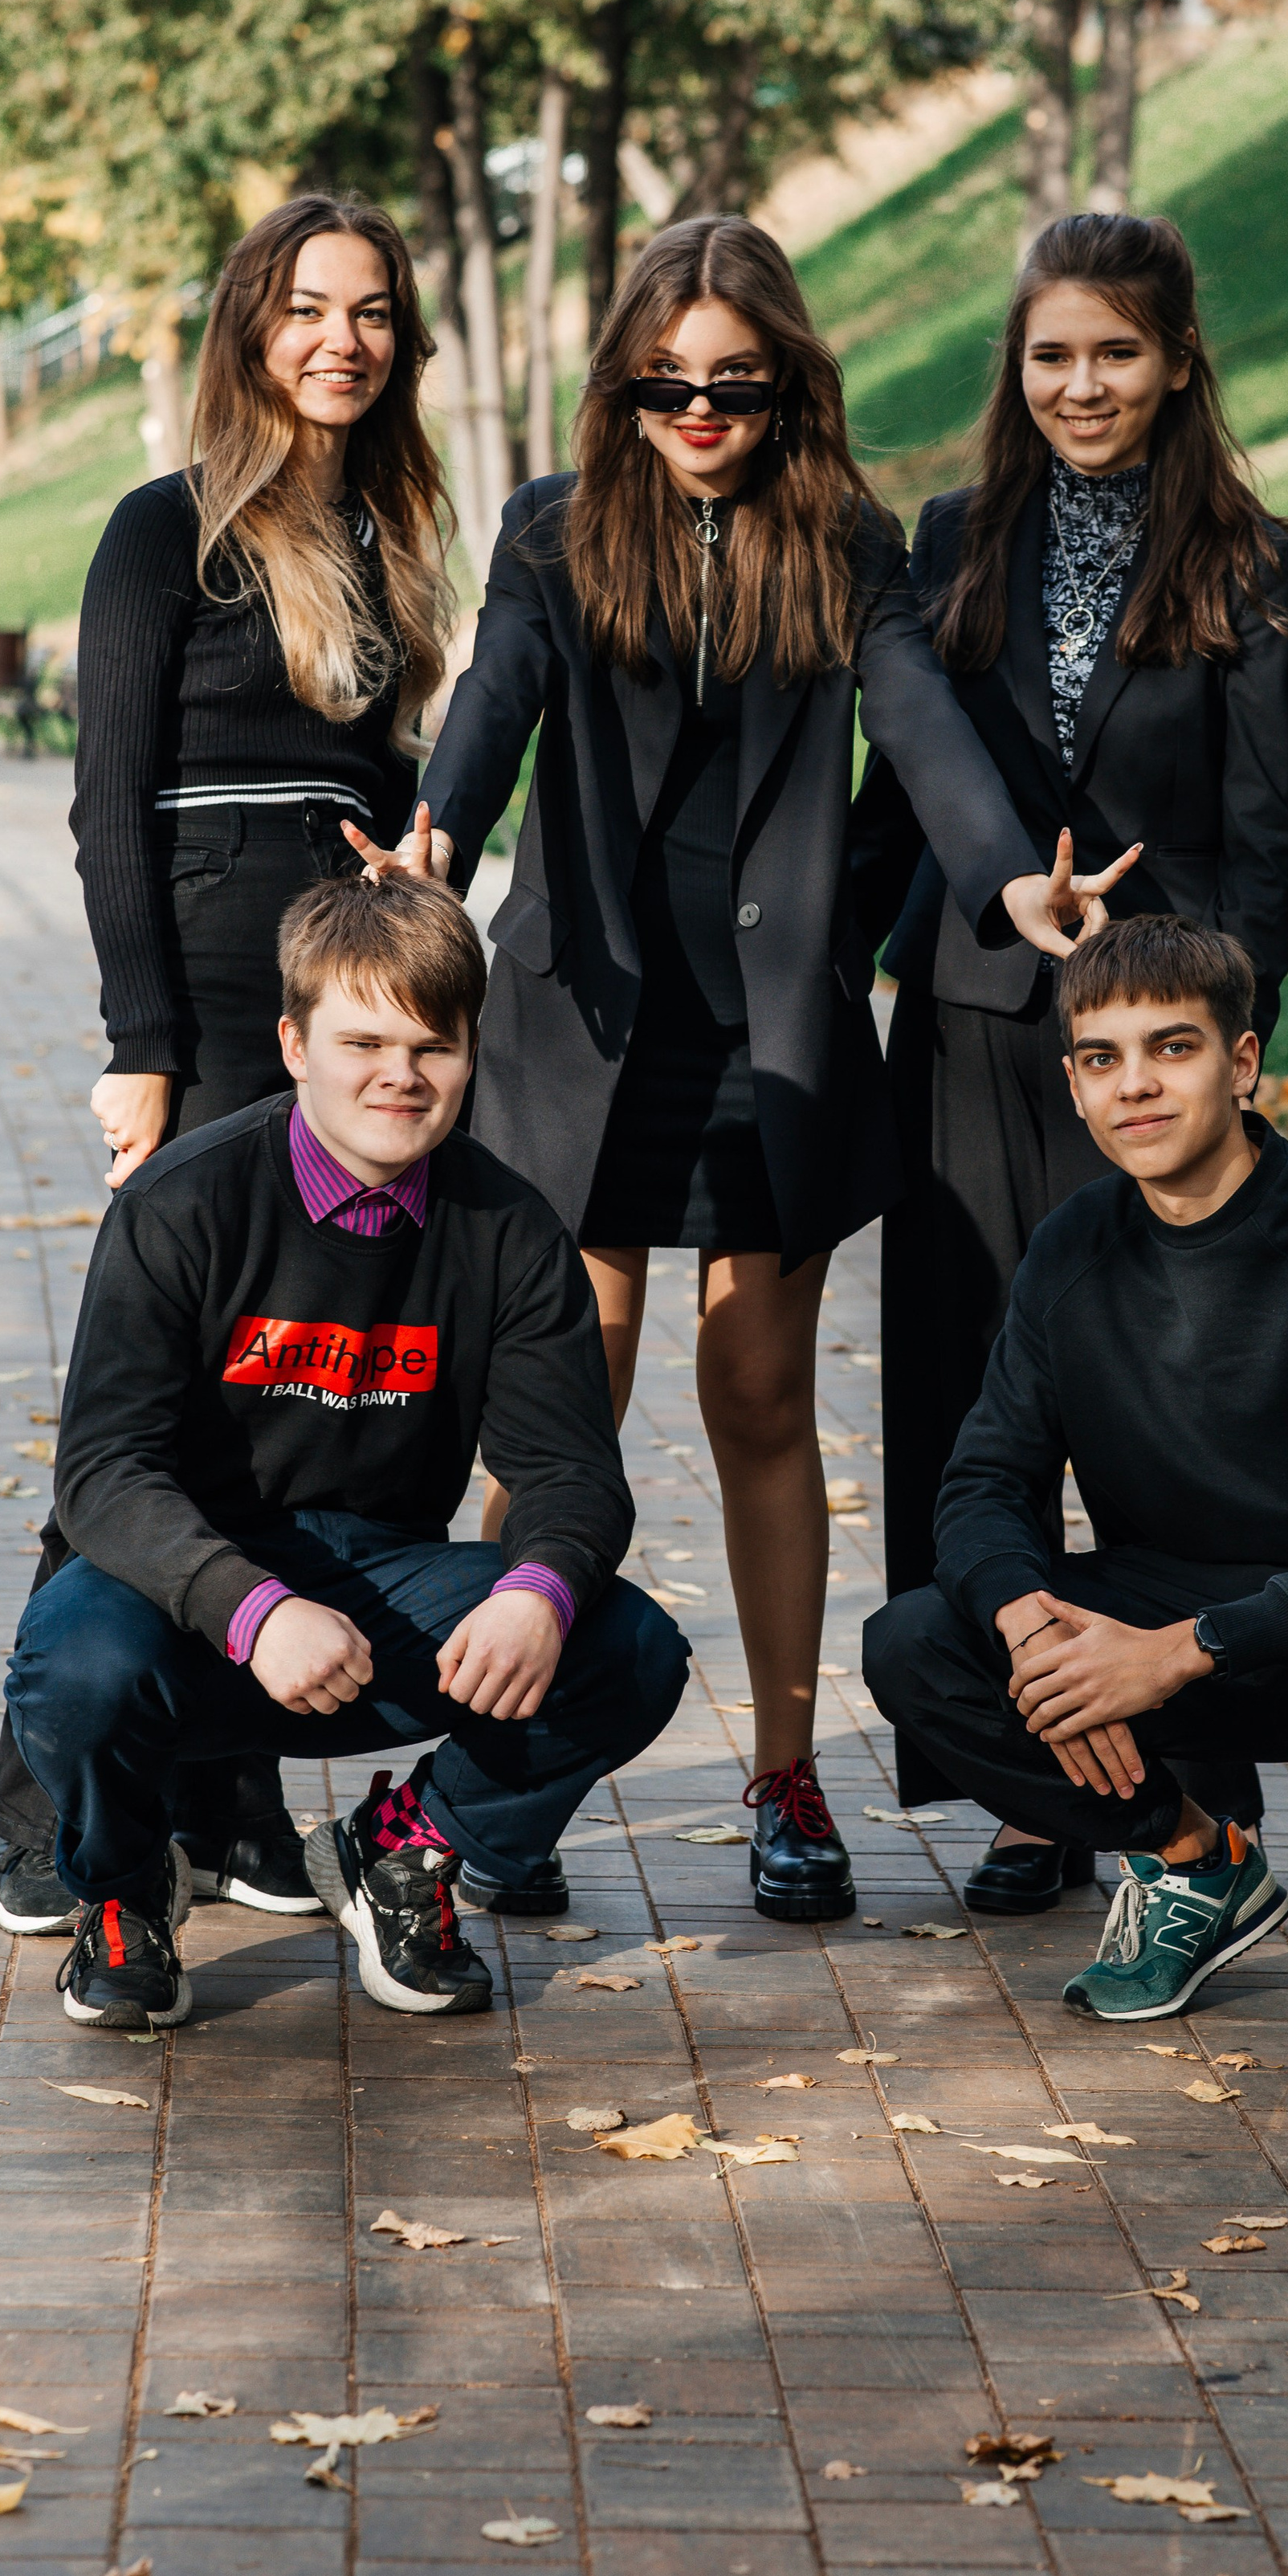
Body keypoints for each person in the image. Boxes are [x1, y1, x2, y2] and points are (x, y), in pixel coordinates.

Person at [355, 214, 1125, 1927]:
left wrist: (1009, 879)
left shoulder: (841, 538)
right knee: (569, 1417)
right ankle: (507, 1776)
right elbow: (493, 698)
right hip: (582, 1040)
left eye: (733, 383)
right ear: (621, 385)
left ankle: (788, 1779)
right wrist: (437, 835)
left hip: (764, 1045)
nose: (697, 410)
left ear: (783, 388)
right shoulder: (556, 533)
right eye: (664, 381)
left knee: (762, 1405)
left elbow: (918, 727)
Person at [0, 193, 454, 1938]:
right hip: (206, 1006)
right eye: (308, 309)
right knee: (157, 1401)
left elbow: (396, 776)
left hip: (339, 1012)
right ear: (251, 330)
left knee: (283, 1396)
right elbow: (108, 810)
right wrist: (139, 1051)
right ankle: (32, 1804)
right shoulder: (160, 532)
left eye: (374, 312)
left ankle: (222, 1785)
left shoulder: (393, 533)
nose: (343, 338)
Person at [2, 873, 687, 2030]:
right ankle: (123, 1897)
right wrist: (250, 1607)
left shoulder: (511, 1234)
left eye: (434, 1046)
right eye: (362, 1040)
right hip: (189, 1601)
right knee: (73, 1661)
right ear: (293, 1043)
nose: (399, 1077)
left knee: (626, 1645)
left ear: (472, 1054)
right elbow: (104, 1473)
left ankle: (405, 1849)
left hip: (383, 1594)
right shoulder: (179, 1206)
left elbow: (573, 1474)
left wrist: (540, 1588)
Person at [855, 211, 1288, 1917]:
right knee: (968, 1396)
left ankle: (1186, 1764)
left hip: (1153, 1051)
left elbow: (1267, 838)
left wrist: (1227, 1063)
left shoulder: (1249, 562)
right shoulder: (952, 537)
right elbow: (897, 785)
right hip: (973, 1022)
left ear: (1176, 361)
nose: (1080, 383)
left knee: (1158, 1412)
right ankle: (1034, 1778)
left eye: (1114, 351)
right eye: (1050, 353)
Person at [861, 913, 1288, 2060]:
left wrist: (1178, 1648)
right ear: (1073, 1084)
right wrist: (1031, 1630)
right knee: (919, 1640)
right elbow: (981, 1483)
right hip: (1165, 1611)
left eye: (1172, 1048)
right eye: (1102, 1059)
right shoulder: (1073, 1248)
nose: (1137, 1087)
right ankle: (1194, 1864)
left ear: (1243, 1062)